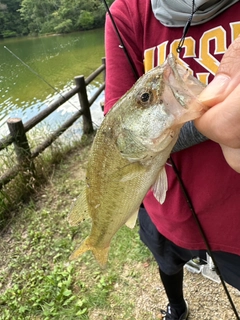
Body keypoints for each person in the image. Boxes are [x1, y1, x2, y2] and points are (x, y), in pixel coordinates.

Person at [104, 1, 240, 319]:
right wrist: (211, 119)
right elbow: (120, 132)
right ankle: (176, 307)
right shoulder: (125, 13)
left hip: (234, 218)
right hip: (166, 209)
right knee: (166, 263)